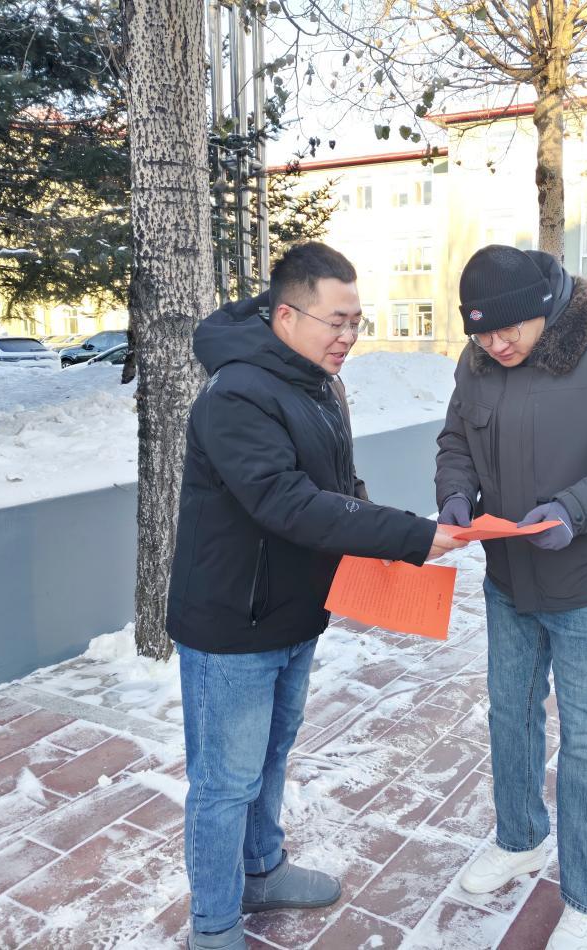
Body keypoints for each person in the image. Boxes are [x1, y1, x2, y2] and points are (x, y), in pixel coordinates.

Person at [168, 242, 467, 950]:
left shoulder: (314, 384)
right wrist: (405, 535)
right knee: (225, 781)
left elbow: (336, 486)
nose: (347, 336)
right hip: (233, 624)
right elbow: (285, 501)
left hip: (293, 612)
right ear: (286, 316)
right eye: (336, 321)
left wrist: (382, 533)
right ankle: (213, 925)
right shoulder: (237, 393)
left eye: (356, 321)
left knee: (270, 757)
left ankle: (262, 870)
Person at [435, 245, 587, 950]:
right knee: (508, 715)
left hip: (585, 582)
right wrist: (455, 493)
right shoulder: (478, 362)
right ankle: (519, 839)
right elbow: (455, 440)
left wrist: (574, 509)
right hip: (508, 577)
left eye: (505, 330)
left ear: (541, 310)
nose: (494, 345)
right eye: (480, 333)